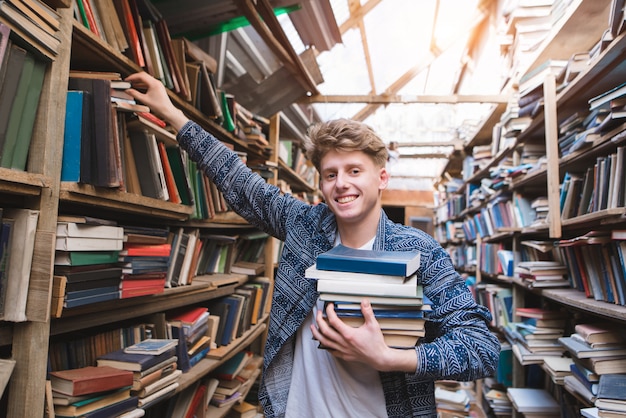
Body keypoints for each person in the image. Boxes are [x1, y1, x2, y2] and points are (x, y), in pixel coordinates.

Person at [125, 71, 500, 418]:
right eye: (331, 174)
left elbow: (481, 350)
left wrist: (390, 358)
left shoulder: (420, 252)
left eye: (355, 171)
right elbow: (239, 182)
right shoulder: (305, 226)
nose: (341, 184)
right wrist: (174, 115)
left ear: (382, 177)